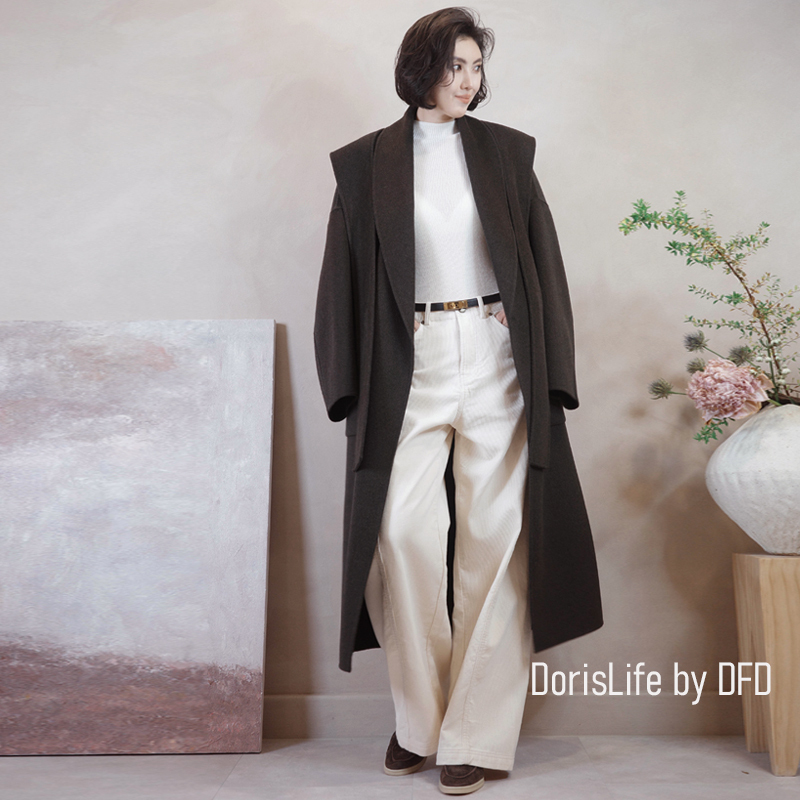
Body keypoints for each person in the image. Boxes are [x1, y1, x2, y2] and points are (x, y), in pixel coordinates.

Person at [314, 7, 602, 795]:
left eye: (476, 67)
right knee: (402, 536)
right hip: (408, 361)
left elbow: (543, 259)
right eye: (454, 66)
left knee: (496, 541)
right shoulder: (364, 163)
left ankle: (474, 735)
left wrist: (547, 355)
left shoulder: (508, 152)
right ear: (420, 69)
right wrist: (345, 383)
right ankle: (422, 722)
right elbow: (340, 276)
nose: (468, 81)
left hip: (496, 353)